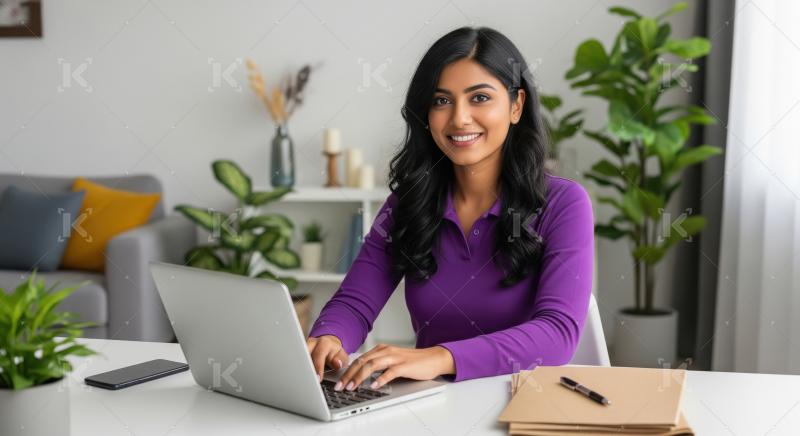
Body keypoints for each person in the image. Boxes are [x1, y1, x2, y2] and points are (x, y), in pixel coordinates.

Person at [306, 26, 594, 392]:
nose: (459, 118)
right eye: (442, 101)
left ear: (516, 105)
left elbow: (557, 334)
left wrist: (439, 357)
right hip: (433, 407)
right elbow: (356, 301)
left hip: (526, 404)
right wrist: (330, 337)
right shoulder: (407, 204)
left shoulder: (563, 204)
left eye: (479, 98)